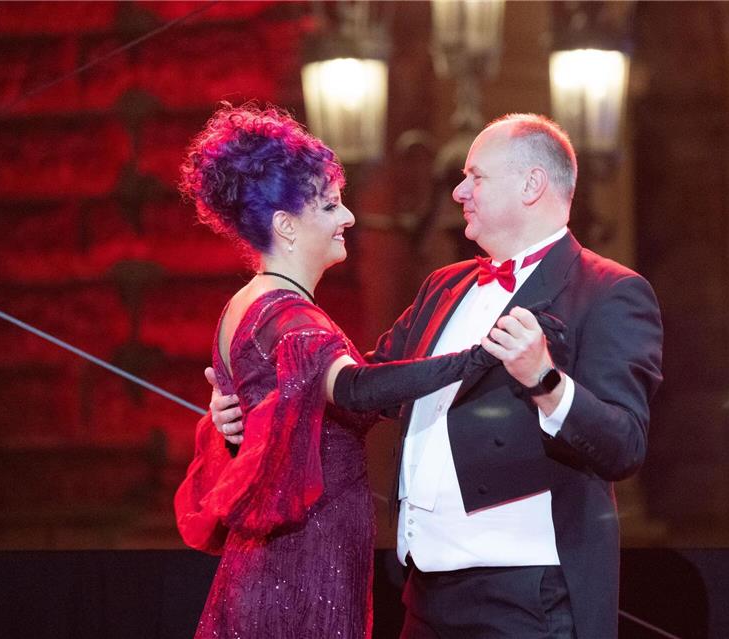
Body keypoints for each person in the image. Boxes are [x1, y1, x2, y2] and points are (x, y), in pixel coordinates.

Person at [209, 113, 663, 639]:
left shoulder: (609, 291)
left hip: (528, 598)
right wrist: (251, 409)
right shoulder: (445, 286)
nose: (457, 191)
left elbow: (624, 445)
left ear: (531, 184)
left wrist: (545, 380)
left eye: (475, 176)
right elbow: (364, 387)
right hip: (425, 594)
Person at [174, 104, 511, 639]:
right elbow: (354, 388)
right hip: (301, 566)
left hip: (288, 562)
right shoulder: (287, 314)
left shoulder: (249, 304)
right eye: (330, 206)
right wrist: (479, 359)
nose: (349, 217)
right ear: (285, 226)